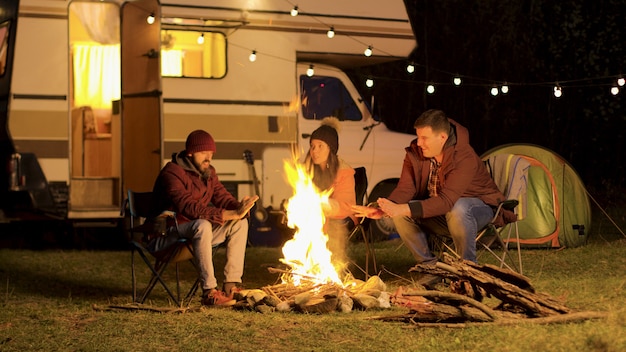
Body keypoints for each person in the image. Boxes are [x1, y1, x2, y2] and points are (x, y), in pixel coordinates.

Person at [352, 109, 514, 285]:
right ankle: (431, 267)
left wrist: (403, 208)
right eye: (418, 136)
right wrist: (384, 209)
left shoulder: (463, 156)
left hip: (480, 209)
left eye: (424, 138)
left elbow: (447, 201)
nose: (419, 142)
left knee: (458, 207)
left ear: (442, 137)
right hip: (444, 213)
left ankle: (468, 271)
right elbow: (407, 187)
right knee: (402, 214)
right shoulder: (415, 152)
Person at [151, 129, 258, 306]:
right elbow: (188, 206)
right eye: (203, 153)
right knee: (202, 224)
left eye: (211, 153)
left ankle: (231, 286)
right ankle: (209, 292)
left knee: (239, 223)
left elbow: (222, 197)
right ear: (190, 152)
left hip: (193, 237)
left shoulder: (208, 173)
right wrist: (227, 214)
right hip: (166, 236)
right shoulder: (172, 173)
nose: (208, 157)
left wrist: (240, 207)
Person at [304, 117, 356, 271]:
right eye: (312, 146)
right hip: (319, 215)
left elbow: (345, 205)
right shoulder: (307, 170)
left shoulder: (343, 171)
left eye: (320, 146)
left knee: (333, 224)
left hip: (342, 215)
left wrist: (322, 206)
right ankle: (307, 265)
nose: (315, 151)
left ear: (331, 148)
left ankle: (333, 267)